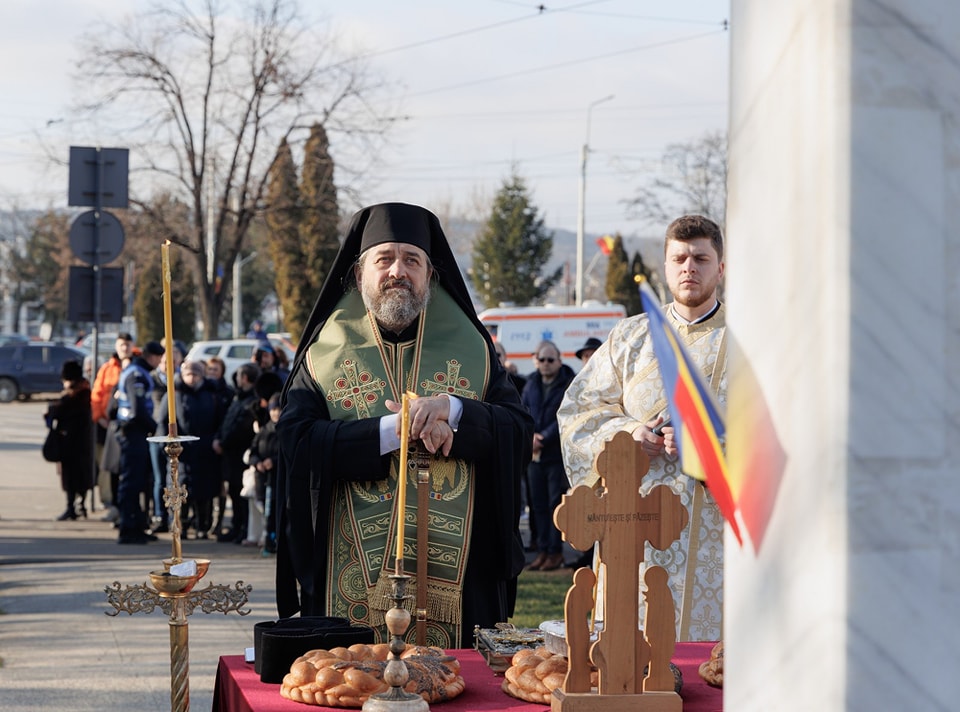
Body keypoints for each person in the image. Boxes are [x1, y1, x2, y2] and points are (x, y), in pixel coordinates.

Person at [277, 202, 533, 648]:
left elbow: (516, 427)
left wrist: (455, 411)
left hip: (461, 574)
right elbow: (295, 441)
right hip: (347, 563)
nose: (398, 271)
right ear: (360, 276)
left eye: (412, 260)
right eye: (385, 259)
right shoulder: (324, 354)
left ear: (430, 276)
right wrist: (387, 433)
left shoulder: (472, 348)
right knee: (352, 684)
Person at [557, 214, 727, 642]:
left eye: (701, 258)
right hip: (630, 530)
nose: (690, 267)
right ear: (666, 267)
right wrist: (629, 436)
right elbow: (578, 414)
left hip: (716, 540)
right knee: (625, 664)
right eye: (680, 258)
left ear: (720, 268)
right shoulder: (627, 337)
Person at [521, 340, 576, 571]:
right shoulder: (531, 383)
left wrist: (542, 437)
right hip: (534, 457)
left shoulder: (568, 384)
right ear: (536, 360)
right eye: (541, 359)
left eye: (550, 359)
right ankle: (543, 551)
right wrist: (530, 436)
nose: (545, 364)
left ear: (559, 361)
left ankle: (555, 552)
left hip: (554, 455)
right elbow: (522, 410)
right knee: (538, 506)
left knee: (556, 505)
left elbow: (566, 415)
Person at [155, 359, 222, 539]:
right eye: (188, 374)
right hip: (182, 451)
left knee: (204, 490)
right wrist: (167, 444)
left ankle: (202, 525)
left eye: (195, 374)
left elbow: (219, 420)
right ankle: (179, 524)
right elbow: (163, 421)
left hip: (205, 448)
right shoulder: (174, 394)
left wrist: (217, 440)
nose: (191, 378)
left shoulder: (212, 394)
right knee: (180, 488)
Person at [115, 340, 165, 544]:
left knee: (138, 482)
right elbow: (137, 409)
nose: (159, 362)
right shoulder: (137, 374)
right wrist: (155, 427)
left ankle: (137, 525)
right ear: (151, 357)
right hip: (133, 431)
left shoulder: (137, 371)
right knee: (131, 482)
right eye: (159, 359)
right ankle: (127, 527)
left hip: (135, 432)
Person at [213, 361, 261, 543]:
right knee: (233, 491)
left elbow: (241, 428)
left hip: (239, 454)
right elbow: (227, 421)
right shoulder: (238, 398)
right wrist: (219, 439)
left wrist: (224, 443)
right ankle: (236, 525)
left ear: (245, 378)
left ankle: (243, 528)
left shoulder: (251, 401)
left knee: (241, 493)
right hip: (229, 454)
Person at [91, 332, 136, 522]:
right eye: (121, 345)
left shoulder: (136, 366)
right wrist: (99, 417)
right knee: (109, 467)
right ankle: (111, 504)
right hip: (107, 425)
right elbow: (97, 394)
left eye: (127, 344)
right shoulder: (107, 368)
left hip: (129, 426)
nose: (124, 348)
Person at [45, 360, 95, 521]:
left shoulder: (73, 396)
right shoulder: (86, 391)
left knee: (71, 476)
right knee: (81, 474)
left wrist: (53, 409)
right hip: (83, 442)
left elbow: (58, 411)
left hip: (69, 442)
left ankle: (71, 507)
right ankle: (81, 505)